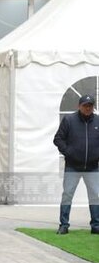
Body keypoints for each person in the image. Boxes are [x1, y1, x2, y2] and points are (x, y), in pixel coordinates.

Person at [53, 94, 99, 235]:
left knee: (96, 196)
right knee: (67, 194)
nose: (87, 108)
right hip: (72, 166)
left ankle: (96, 225)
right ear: (79, 106)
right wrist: (69, 152)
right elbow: (58, 139)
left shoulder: (98, 121)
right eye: (85, 105)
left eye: (90, 105)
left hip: (92, 167)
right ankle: (64, 225)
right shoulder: (69, 120)